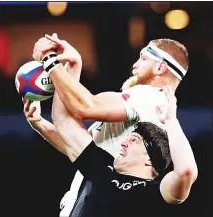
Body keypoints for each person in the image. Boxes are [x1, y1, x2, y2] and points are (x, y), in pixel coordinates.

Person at [28, 34, 189, 215]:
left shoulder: (148, 96)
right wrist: (40, 124)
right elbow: (74, 140)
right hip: (92, 194)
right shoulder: (146, 111)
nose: (135, 65)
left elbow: (84, 107)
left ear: (160, 67)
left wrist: (50, 61)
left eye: (143, 58)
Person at [50, 85, 197, 217]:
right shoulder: (102, 168)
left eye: (133, 140)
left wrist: (171, 120)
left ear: (149, 159)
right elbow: (64, 121)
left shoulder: (156, 192)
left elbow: (186, 171)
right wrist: (66, 67)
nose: (124, 143)